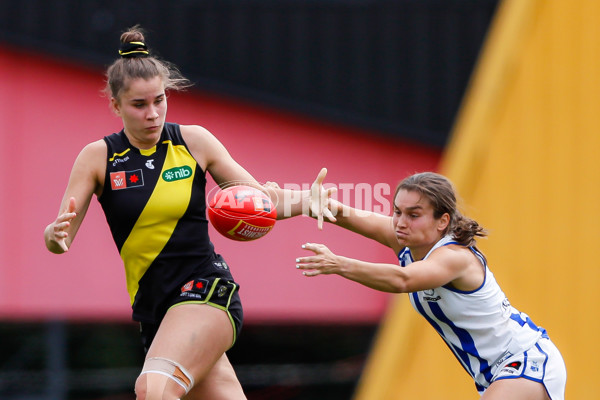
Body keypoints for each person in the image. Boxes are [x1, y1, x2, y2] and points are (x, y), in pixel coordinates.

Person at [44, 26, 334, 400]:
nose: (153, 113)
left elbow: (259, 201)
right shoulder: (98, 157)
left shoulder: (193, 141)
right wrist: (54, 236)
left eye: (160, 100)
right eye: (139, 105)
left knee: (155, 388)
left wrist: (305, 202)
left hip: (207, 291)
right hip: (156, 313)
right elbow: (59, 238)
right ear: (116, 106)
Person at [295, 172, 566, 399]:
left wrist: (339, 264)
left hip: (525, 359)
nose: (401, 222)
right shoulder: (405, 236)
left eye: (414, 214)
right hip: (494, 373)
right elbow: (340, 212)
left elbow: (404, 279)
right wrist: (282, 197)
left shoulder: (455, 258)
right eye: (397, 212)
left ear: (443, 221)